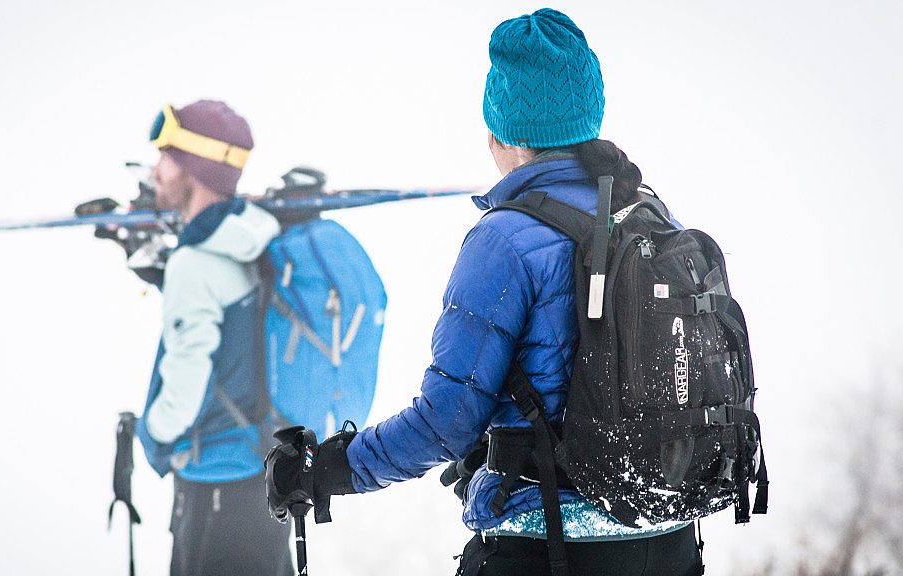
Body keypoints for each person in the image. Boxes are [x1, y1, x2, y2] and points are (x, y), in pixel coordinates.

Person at [264, 9, 704, 576]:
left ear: (502, 131)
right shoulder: (650, 216)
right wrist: (496, 447)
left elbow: (445, 421)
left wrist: (325, 469)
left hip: (549, 548)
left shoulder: (505, 238)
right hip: (670, 543)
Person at [134, 100, 294, 576]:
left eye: (165, 156)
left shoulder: (194, 264)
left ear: (192, 166)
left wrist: (151, 431)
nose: (155, 169)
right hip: (263, 478)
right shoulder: (249, 236)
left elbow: (185, 389)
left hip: (214, 488)